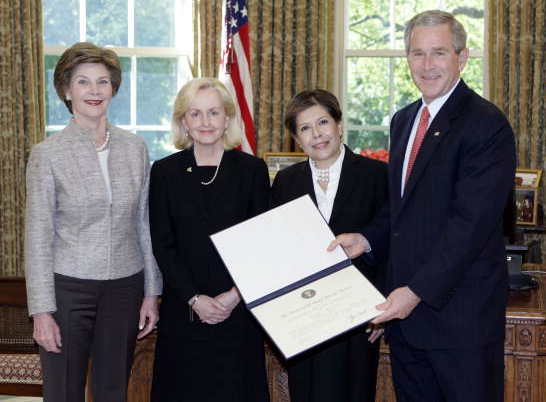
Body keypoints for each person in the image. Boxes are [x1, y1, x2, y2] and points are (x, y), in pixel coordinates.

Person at [330, 10, 516, 401]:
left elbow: (470, 227)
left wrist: (414, 292)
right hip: (407, 323)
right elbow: (402, 213)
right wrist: (365, 239)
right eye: (417, 54)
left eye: (439, 53)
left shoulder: (486, 124)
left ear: (462, 58)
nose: (427, 65)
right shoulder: (404, 120)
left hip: (459, 321)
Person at [24, 42, 162, 402]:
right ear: (67, 91)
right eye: (83, 82)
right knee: (63, 392)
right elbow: (37, 237)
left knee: (114, 390)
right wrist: (41, 310)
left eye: (102, 82)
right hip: (68, 291)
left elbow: (144, 223)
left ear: (113, 88)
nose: (95, 91)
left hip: (125, 289)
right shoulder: (47, 154)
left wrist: (151, 292)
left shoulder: (136, 148)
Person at [149, 78, 270, 401]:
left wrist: (234, 295)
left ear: (227, 118)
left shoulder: (252, 170)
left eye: (213, 113)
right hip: (184, 313)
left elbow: (263, 242)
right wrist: (194, 298)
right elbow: (162, 244)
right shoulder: (163, 172)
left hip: (238, 313)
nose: (205, 122)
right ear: (183, 122)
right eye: (196, 114)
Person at [271, 89, 388, 402]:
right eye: (305, 128)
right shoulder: (285, 182)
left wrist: (383, 306)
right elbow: (279, 251)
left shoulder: (377, 175)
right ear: (296, 138)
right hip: (304, 319)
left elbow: (393, 243)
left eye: (323, 122)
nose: (317, 134)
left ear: (339, 124)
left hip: (360, 319)